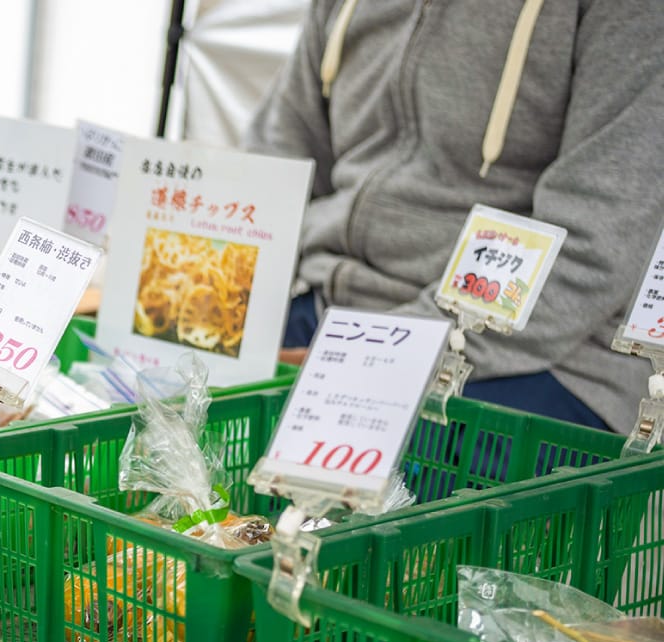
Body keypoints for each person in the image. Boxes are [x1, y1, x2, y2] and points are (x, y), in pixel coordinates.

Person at [247, 0, 664, 432]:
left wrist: (377, 355)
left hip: (537, 359)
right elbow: (276, 157)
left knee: (321, 475)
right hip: (328, 309)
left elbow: (594, 247)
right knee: (187, 417)